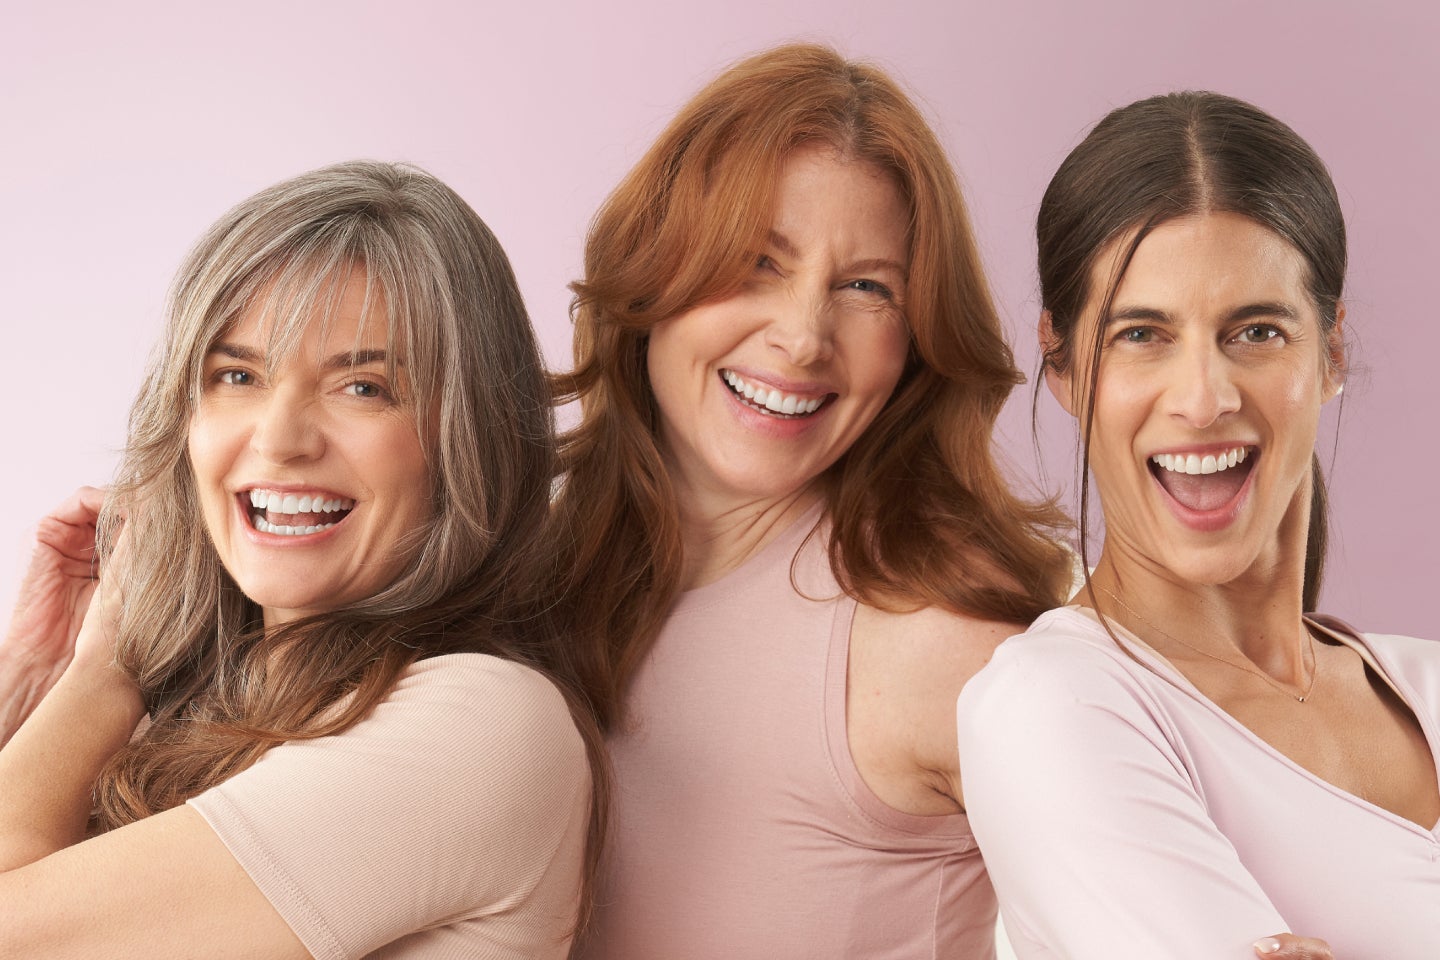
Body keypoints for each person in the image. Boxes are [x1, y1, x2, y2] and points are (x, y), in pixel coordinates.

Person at [543, 43, 1075, 958]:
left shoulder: (942, 632)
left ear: (915, 337)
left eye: (867, 287)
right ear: (654, 269)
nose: (801, 338)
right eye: (757, 262)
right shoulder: (542, 573)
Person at [0, 161, 601, 958]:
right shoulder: (207, 715)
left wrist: (104, 669)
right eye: (237, 375)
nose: (280, 439)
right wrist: (29, 685)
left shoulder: (478, 723)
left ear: (469, 436)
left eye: (363, 387)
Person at [956, 91, 1440, 959]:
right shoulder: (1054, 707)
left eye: (1256, 330)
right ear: (1061, 365)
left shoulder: (1428, 685)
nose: (1204, 398)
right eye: (1142, 334)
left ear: (1331, 352)